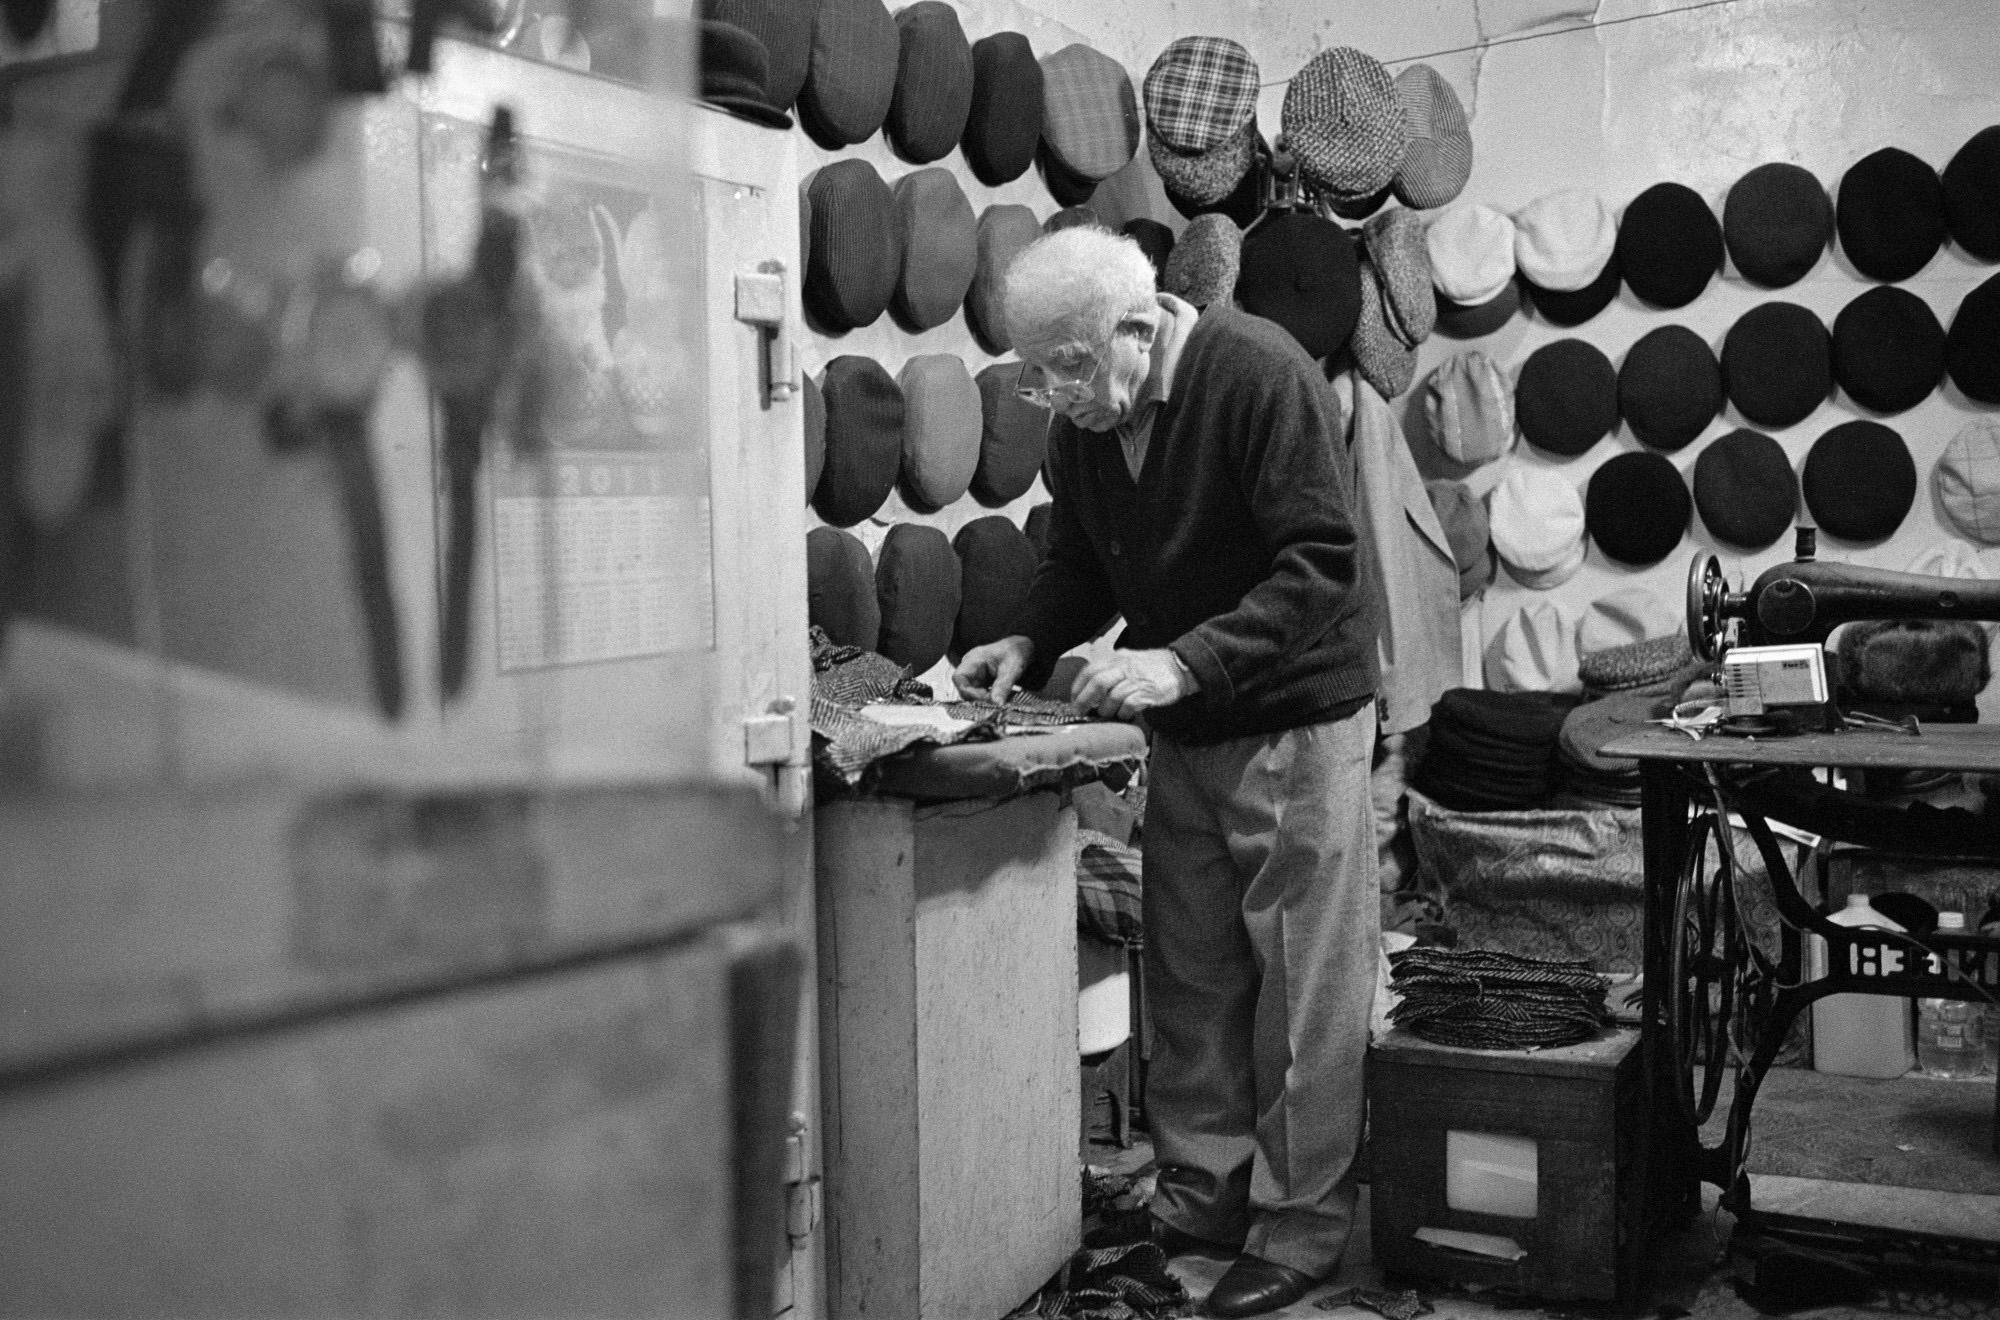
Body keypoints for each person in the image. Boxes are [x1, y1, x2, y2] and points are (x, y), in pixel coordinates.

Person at [953, 226, 1382, 1319]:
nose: (1055, 397)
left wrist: (1180, 662)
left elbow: (1321, 569)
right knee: (1190, 977)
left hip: (1293, 716)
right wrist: (1025, 639)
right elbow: (1081, 563)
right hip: (1184, 722)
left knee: (1300, 985)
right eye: (1036, 375)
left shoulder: (1259, 375)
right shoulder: (1087, 422)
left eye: (1072, 368)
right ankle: (1200, 1196)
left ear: (1138, 329)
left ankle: (1299, 1228)